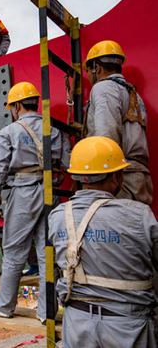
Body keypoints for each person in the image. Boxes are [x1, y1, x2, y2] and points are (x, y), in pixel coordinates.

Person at [49, 136, 157, 348]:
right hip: (128, 327)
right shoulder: (139, 215)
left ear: (78, 176)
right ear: (116, 176)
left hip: (77, 324)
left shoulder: (58, 216)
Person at [0, 82, 70, 321]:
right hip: (50, 191)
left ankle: (4, 306)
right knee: (46, 251)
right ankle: (46, 312)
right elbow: (67, 162)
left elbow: (0, 167)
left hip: (23, 191)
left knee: (13, 251)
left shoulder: (9, 131)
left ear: (17, 106)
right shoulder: (54, 129)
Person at [84, 40, 152, 205]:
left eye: (88, 70)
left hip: (119, 179)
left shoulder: (103, 88)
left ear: (96, 67)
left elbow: (106, 136)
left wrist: (103, 180)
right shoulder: (133, 94)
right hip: (139, 177)